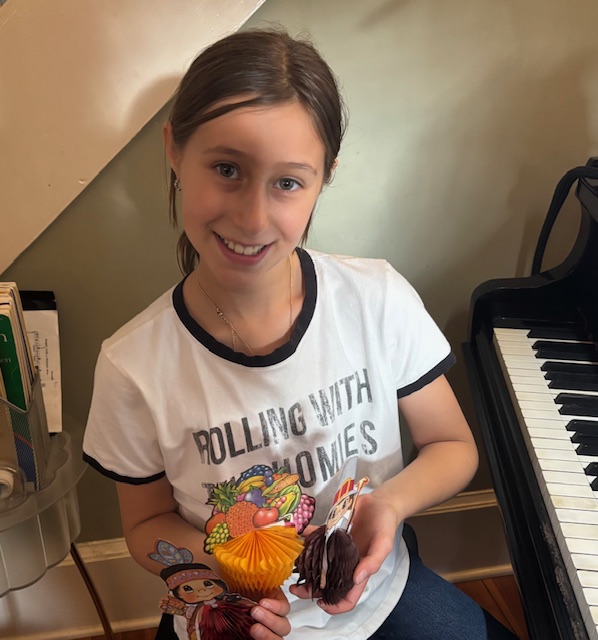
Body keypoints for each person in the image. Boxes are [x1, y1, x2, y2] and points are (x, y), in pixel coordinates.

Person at [82, 28, 518, 640]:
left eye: (287, 182)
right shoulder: (133, 365)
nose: (252, 217)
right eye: (227, 169)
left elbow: (452, 445)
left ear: (323, 178)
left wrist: (388, 505)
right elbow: (145, 526)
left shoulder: (376, 299)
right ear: (174, 151)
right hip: (231, 610)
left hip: (378, 594)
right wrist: (230, 571)